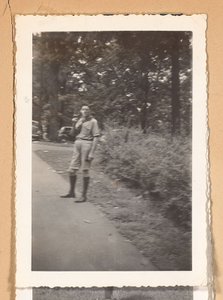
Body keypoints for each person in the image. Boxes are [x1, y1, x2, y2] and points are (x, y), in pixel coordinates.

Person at [61, 105, 100, 203]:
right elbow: (72, 134)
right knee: (71, 169)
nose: (85, 111)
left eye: (87, 110)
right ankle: (71, 192)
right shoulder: (79, 120)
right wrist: (74, 123)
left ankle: (83, 196)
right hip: (77, 143)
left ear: (90, 111)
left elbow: (96, 137)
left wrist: (91, 152)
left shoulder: (93, 121)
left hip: (87, 144)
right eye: (83, 109)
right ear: (80, 111)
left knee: (85, 169)